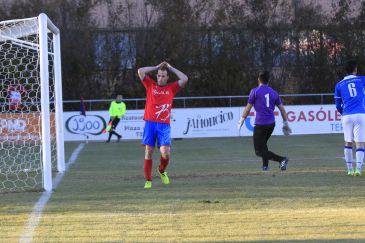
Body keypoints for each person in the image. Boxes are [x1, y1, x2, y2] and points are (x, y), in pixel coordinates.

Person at [138, 61, 188, 189]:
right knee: (148, 151)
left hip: (164, 125)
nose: (160, 78)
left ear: (167, 77)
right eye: (159, 75)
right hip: (150, 123)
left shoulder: (172, 88)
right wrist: (155, 67)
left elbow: (184, 78)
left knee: (165, 153)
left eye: (163, 76)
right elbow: (140, 71)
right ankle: (148, 180)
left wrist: (171, 68)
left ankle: (161, 170)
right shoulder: (150, 85)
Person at [237, 71, 292, 171]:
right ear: (268, 81)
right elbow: (282, 109)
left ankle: (282, 159)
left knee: (259, 151)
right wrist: (285, 123)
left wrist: (241, 119)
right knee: (263, 146)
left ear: (258, 79)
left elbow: (248, 108)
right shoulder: (274, 93)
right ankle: (265, 166)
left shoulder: (254, 91)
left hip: (260, 125)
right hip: (271, 124)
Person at [334, 60, 365, 176]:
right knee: (360, 143)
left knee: (348, 142)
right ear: (355, 69)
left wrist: (343, 113)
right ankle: (358, 169)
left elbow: (337, 105)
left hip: (347, 115)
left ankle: (349, 169)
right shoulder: (361, 79)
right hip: (361, 114)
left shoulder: (339, 85)